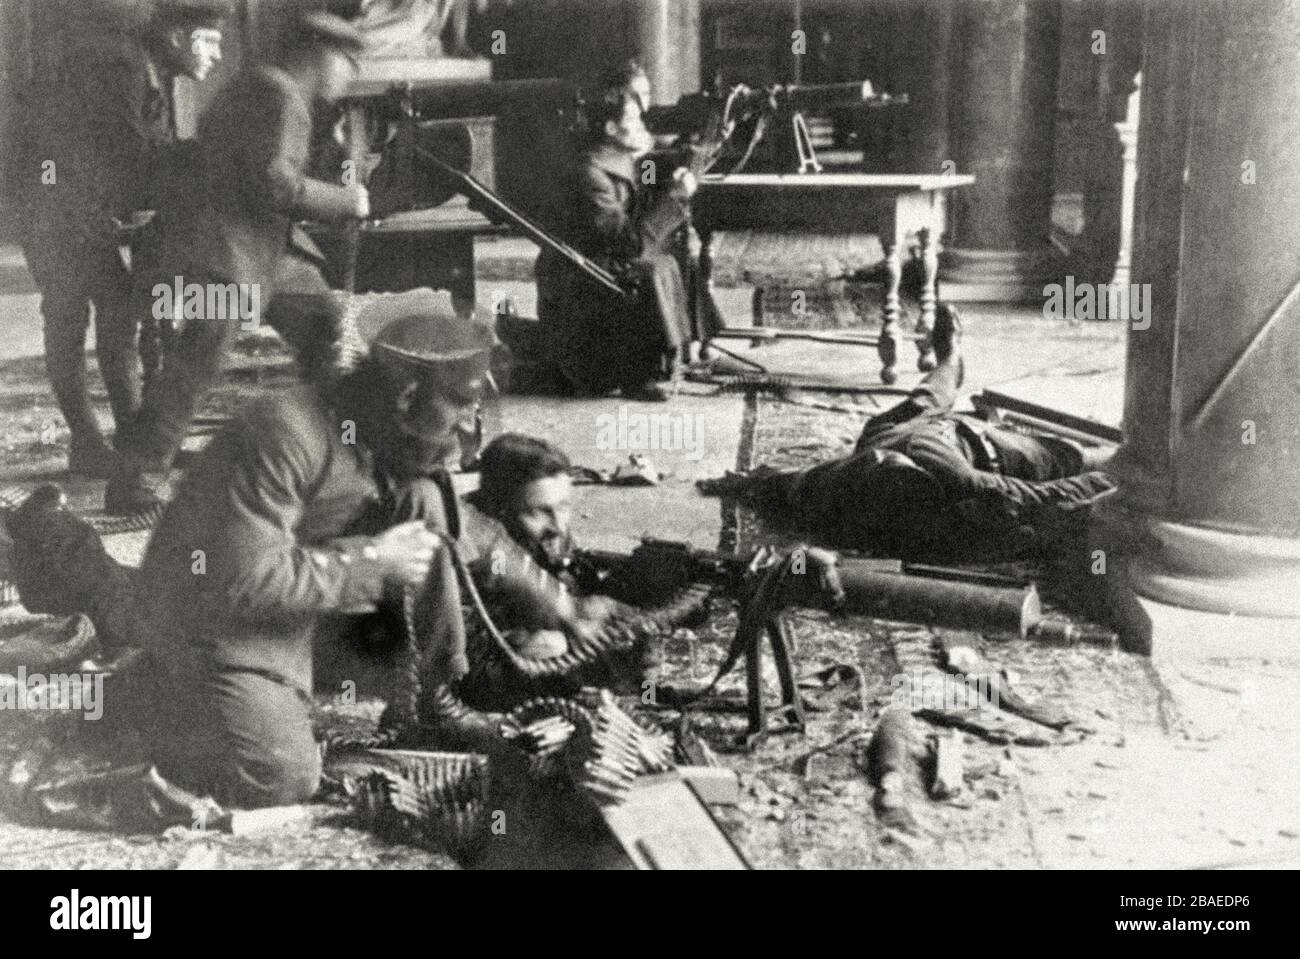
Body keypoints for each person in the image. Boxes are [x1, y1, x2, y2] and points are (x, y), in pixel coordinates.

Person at [8, 300, 632, 809]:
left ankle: (436, 704)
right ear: (406, 394)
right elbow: (240, 581)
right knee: (277, 779)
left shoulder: (392, 439)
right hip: (213, 621)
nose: (470, 429)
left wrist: (565, 609)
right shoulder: (283, 432)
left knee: (424, 506)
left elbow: (470, 536)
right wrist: (369, 567)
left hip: (303, 607)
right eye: (462, 403)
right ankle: (140, 694)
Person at [104, 9, 373, 515]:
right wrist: (344, 201)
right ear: (320, 56)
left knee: (327, 329)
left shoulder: (260, 88)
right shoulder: (278, 95)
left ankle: (330, 457)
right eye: (346, 62)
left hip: (265, 254)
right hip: (224, 253)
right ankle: (135, 479)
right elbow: (273, 180)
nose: (349, 75)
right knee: (195, 364)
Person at [699, 305, 1118, 560]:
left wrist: (745, 483)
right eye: (889, 468)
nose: (882, 462)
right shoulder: (958, 481)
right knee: (1078, 457)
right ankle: (951, 364)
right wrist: (1109, 477)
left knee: (928, 395)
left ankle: (950, 356)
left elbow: (790, 483)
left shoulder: (855, 468)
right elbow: (1036, 495)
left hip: (903, 429)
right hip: (986, 446)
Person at [16, 0, 231, 478]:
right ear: (177, 38)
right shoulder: (122, 68)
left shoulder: (152, 70)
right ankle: (94, 444)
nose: (216, 54)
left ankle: (135, 439)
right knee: (72, 313)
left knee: (117, 312)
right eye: (210, 41)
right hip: (48, 201)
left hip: (82, 204)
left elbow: (145, 154)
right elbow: (121, 155)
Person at [529, 60, 697, 402]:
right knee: (651, 268)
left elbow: (643, 198)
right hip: (579, 282)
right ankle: (634, 372)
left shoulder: (620, 160)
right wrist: (676, 198)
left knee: (671, 256)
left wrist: (671, 180)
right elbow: (629, 243)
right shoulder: (590, 175)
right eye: (633, 118)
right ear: (610, 128)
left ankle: (669, 357)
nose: (643, 123)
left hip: (601, 262)